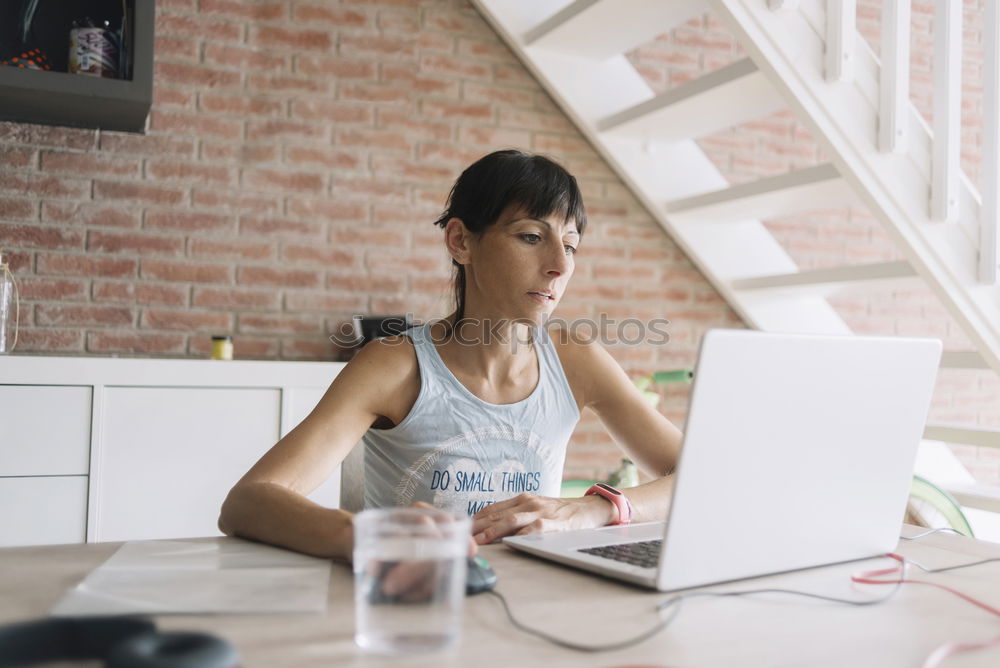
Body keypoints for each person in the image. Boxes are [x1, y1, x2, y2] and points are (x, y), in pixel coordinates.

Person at [218, 149, 683, 563]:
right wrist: (367, 535)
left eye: (571, 244)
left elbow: (701, 475)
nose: (559, 266)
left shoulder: (575, 357)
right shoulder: (394, 364)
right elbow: (249, 501)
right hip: (416, 602)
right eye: (530, 236)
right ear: (461, 242)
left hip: (535, 607)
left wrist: (596, 508)